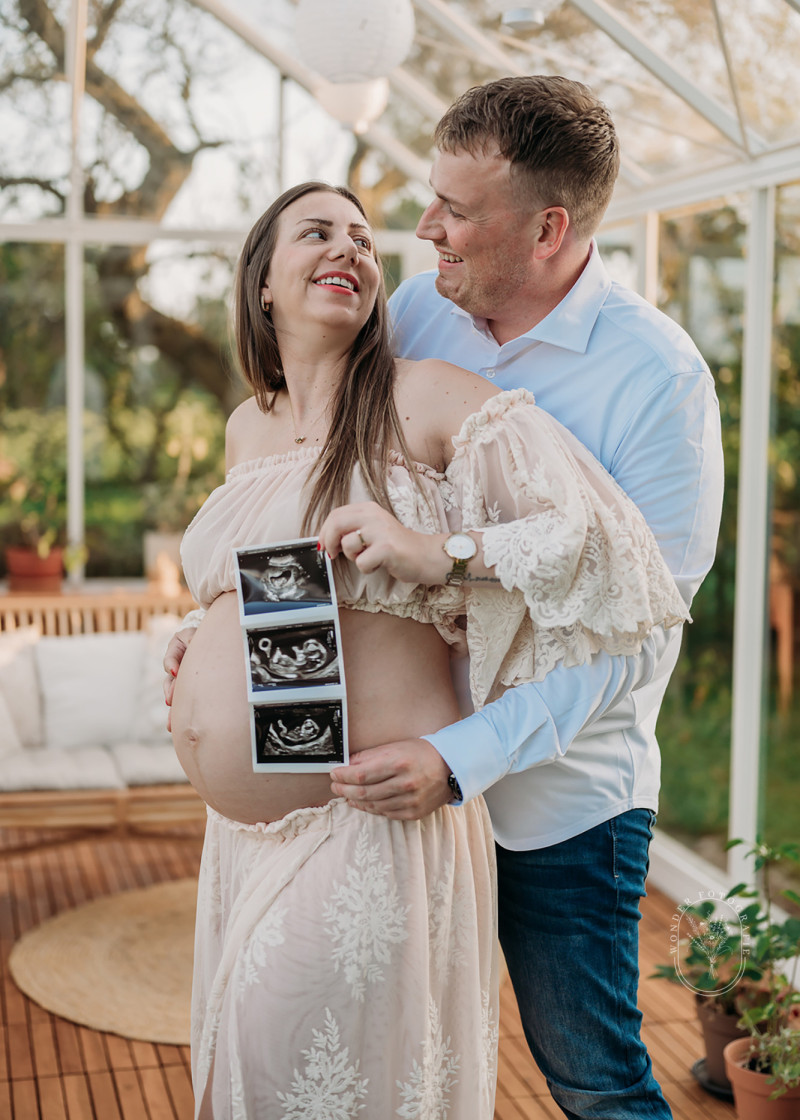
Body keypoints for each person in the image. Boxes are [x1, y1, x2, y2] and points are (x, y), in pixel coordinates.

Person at [165, 178, 689, 1120]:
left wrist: (439, 553)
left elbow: (610, 554)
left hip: (366, 812)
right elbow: (291, 594)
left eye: (363, 239)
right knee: (254, 1075)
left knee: (311, 1075)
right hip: (244, 833)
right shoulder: (250, 424)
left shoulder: (429, 395)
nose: (353, 248)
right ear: (263, 286)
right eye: (317, 232)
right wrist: (205, 641)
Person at [325, 77, 726, 1119]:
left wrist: (459, 760)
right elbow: (321, 490)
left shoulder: (657, 381)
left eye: (457, 211)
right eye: (432, 198)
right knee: (409, 1070)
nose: (425, 229)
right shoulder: (412, 317)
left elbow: (636, 637)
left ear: (548, 227)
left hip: (560, 809)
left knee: (591, 1084)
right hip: (389, 791)